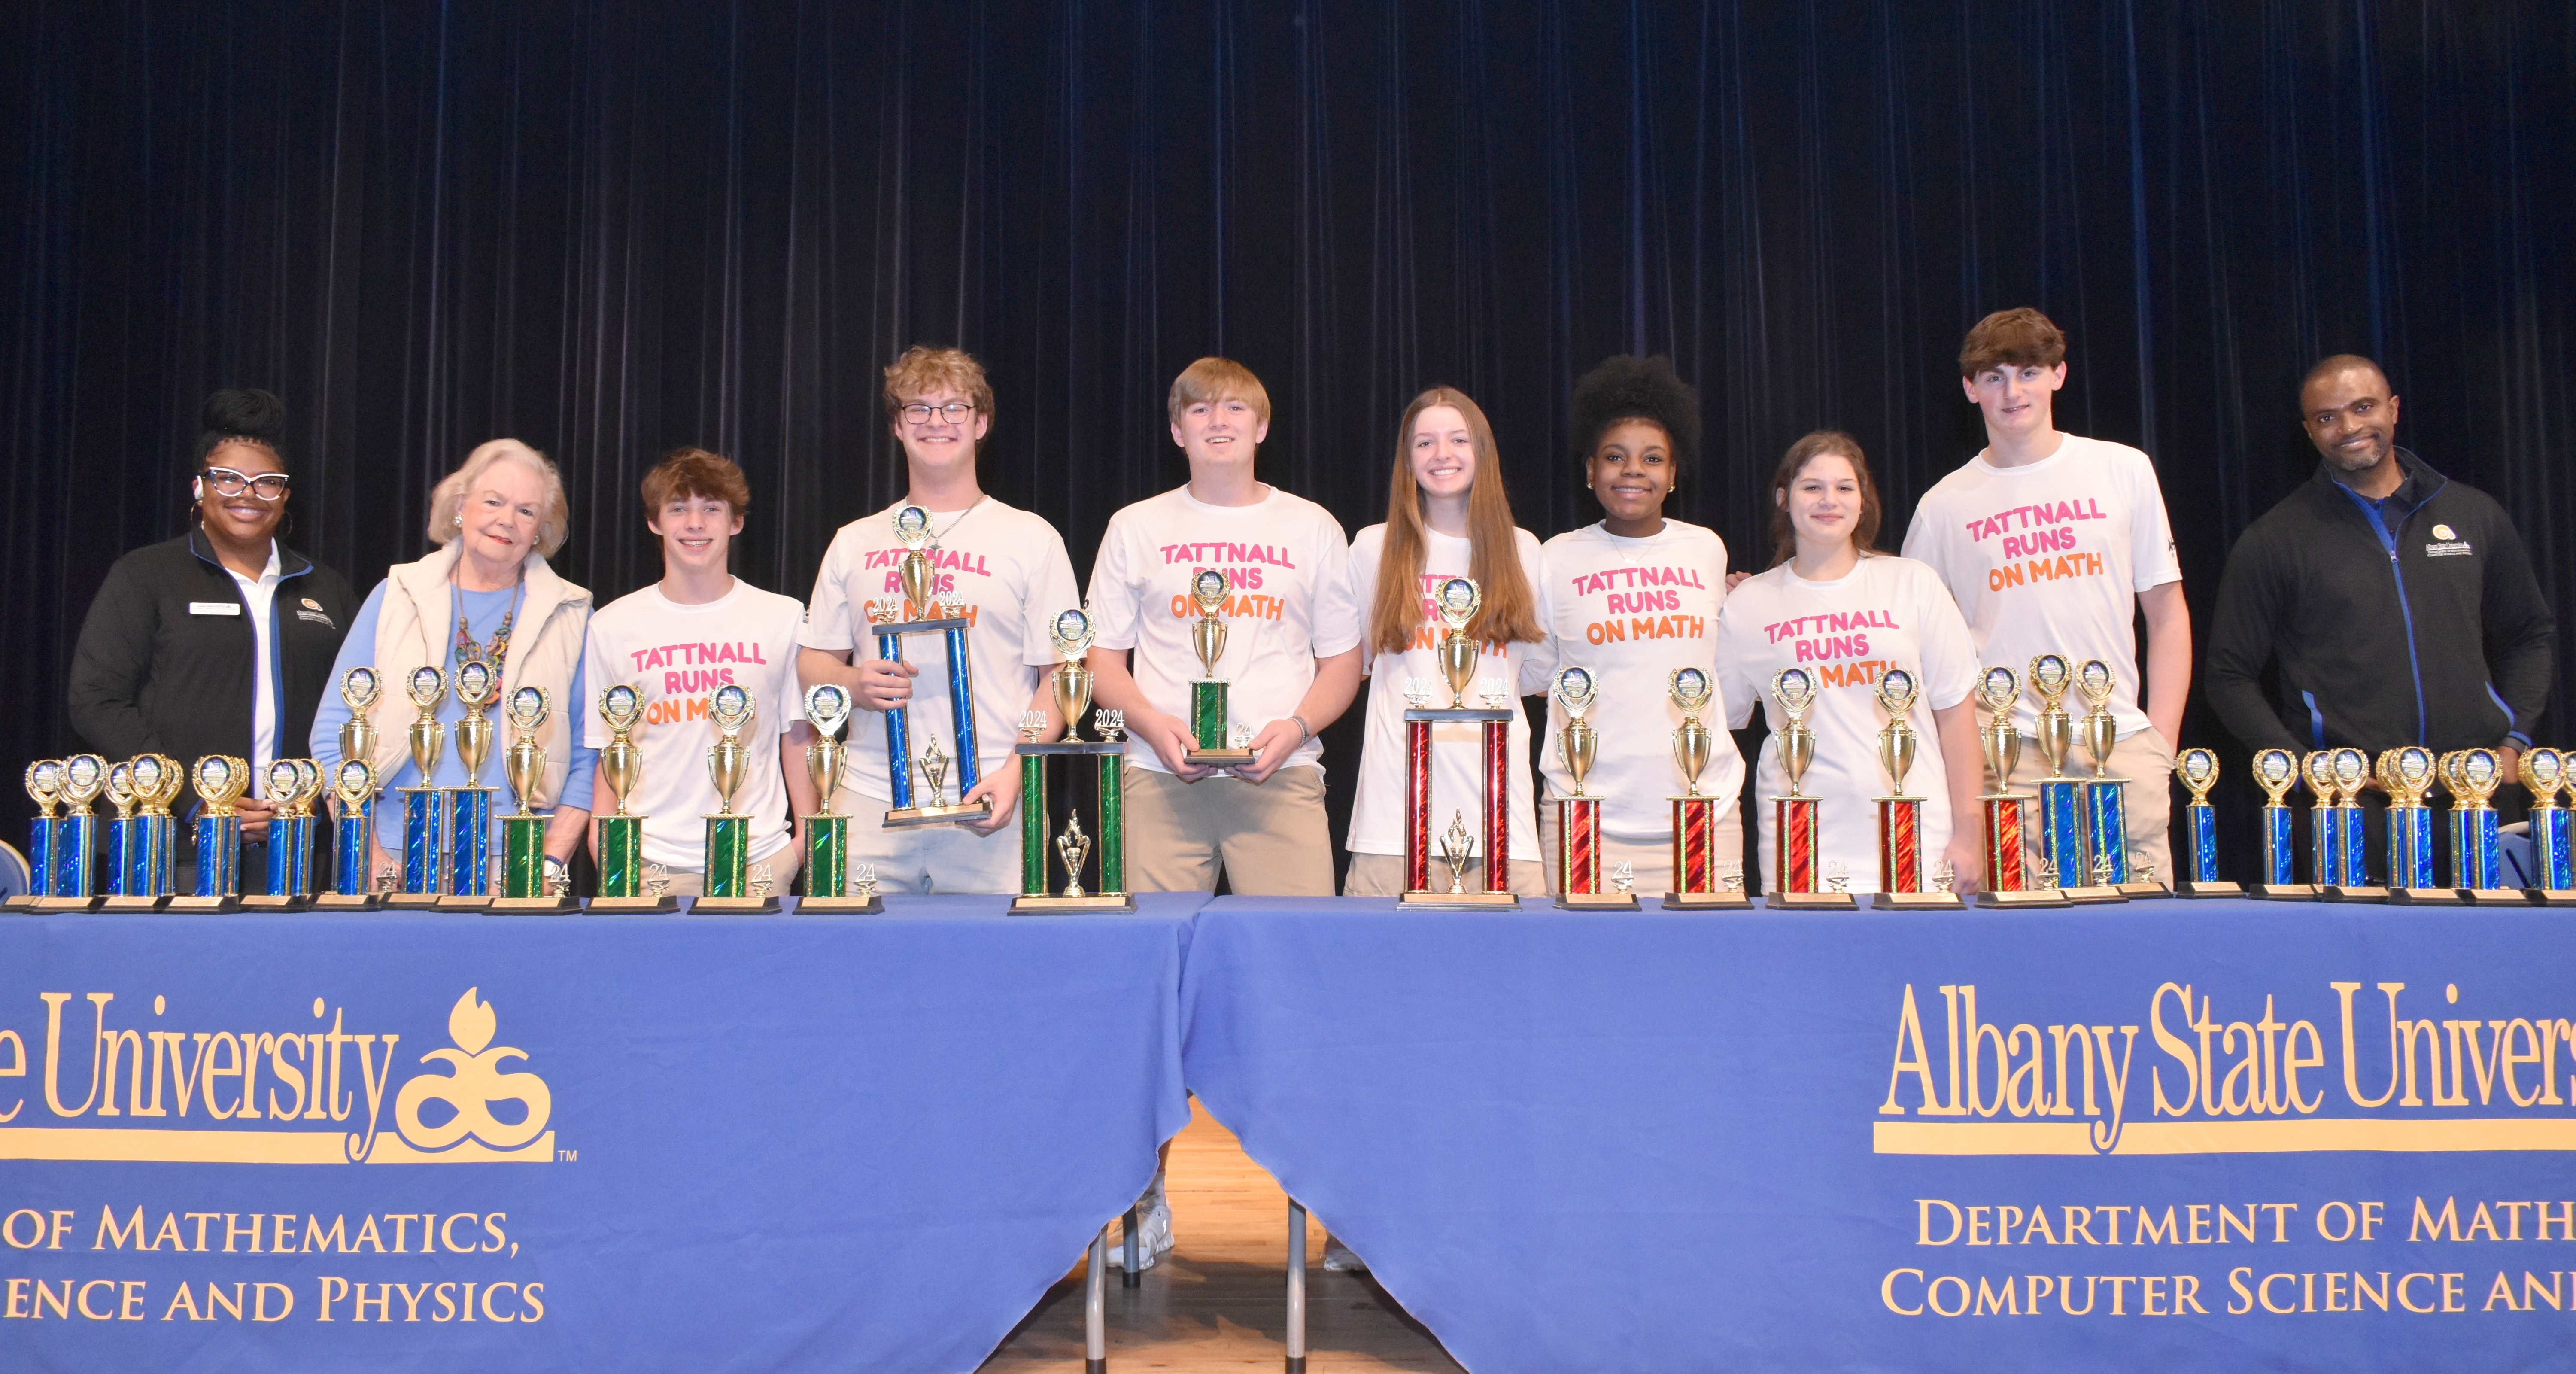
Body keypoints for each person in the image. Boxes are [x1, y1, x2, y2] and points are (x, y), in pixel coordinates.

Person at [1900, 308, 2187, 882]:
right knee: (2021, 948)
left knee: (2136, 941)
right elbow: (1912, 646)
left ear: (2058, 375)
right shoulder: (1943, 506)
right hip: (2007, 757)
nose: (2012, 392)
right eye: (1993, 377)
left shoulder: (2123, 470)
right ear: (1969, 389)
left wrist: (2161, 744)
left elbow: (2168, 615)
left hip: (2121, 747)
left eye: (2029, 372)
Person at [796, 345, 1081, 894]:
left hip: (990, 798)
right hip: (871, 796)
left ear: (981, 423)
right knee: (859, 973)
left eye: (954, 408)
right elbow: (812, 662)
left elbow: (1058, 677)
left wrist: (1017, 773)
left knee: (994, 974)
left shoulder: (1031, 537)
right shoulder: (855, 541)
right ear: (898, 428)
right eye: (918, 409)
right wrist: (854, 682)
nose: (936, 422)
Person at [2206, 354, 2553, 804]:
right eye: (2327, 417)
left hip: (2475, 790)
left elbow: (2530, 635)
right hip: (2354, 801)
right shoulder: (2274, 539)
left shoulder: (2475, 514)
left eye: (2363, 407)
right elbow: (2228, 675)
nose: (2349, 427)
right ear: (2310, 431)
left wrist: (2515, 741)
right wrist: (2305, 768)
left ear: (2393, 408)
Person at [1083, 357, 1364, 896]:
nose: (1219, 420)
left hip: (1282, 776)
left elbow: (1343, 661)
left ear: (1260, 427)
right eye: (1201, 408)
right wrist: (1150, 724)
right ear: (1176, 430)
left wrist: (1298, 728)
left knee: (1294, 956)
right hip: (1158, 778)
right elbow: (1100, 659)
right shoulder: (1134, 526)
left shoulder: (1312, 526)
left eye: (1236, 407)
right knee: (1153, 956)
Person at [68, 389, 358, 869]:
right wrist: (197, 800)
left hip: (298, 845)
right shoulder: (146, 575)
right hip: (169, 846)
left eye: (267, 482)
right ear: (200, 489)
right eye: (229, 479)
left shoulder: (326, 588)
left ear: (285, 497)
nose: (248, 494)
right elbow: (97, 701)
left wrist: (305, 804)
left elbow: (352, 712)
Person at [310, 439, 595, 889]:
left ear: (541, 527)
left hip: (516, 860)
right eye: (494, 501)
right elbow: (334, 731)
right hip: (393, 854)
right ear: (461, 506)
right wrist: (367, 850)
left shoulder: (573, 612)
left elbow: (588, 752)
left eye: (526, 510)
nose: (507, 520)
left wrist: (550, 860)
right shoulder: (396, 594)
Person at [1714, 432, 1984, 893]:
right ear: (1784, 498)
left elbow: (1956, 713)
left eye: (1844, 487)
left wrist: (1970, 831)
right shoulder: (1749, 604)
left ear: (1863, 500)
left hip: (1919, 834)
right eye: (1811, 487)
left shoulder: (1913, 584)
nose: (1828, 500)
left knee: (1919, 968)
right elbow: (1725, 717)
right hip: (1801, 842)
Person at [1532, 356, 1746, 889]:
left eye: (1652, 458)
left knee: (1712, 968)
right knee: (1587, 972)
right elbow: (1535, 674)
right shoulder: (1553, 558)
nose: (1633, 470)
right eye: (1614, 457)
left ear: (1673, 475)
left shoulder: (1706, 550)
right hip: (1584, 815)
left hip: (1705, 812)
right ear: (1590, 471)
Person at [580, 449, 818, 897]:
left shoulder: (783, 617)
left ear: (736, 522)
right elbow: (609, 749)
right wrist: (602, 842)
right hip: (647, 862)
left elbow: (797, 733)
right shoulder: (612, 625)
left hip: (758, 862)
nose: (695, 523)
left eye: (711, 508)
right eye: (679, 509)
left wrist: (803, 845)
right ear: (655, 522)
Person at [1344, 387, 1548, 897]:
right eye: (1425, 442)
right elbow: (1350, 665)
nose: (1442, 455)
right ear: (1406, 460)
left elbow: (1541, 672)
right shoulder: (1373, 547)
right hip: (1393, 826)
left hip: (1504, 821)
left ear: (1483, 451)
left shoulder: (1525, 551)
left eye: (1459, 439)